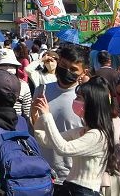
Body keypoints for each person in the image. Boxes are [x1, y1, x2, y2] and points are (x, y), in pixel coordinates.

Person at [32, 79, 120, 196]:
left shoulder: (98, 135)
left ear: (91, 104)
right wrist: (37, 116)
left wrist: (47, 116)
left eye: (79, 98)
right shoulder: (82, 131)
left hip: (85, 191)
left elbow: (63, 148)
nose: (74, 101)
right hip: (70, 187)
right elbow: (46, 140)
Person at [34, 44, 88, 188]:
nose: (67, 71)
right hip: (43, 172)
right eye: (63, 65)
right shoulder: (41, 91)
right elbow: (36, 128)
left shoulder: (88, 99)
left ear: (84, 72)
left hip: (74, 176)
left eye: (73, 69)